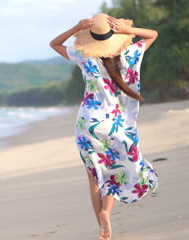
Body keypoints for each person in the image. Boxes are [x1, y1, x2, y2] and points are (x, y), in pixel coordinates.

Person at [49, 13, 159, 240]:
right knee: (115, 172)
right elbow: (153, 35)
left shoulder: (84, 57)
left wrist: (75, 27)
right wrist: (129, 31)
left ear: (90, 38)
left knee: (95, 176)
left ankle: (101, 223)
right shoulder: (129, 53)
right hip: (116, 123)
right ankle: (107, 212)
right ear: (114, 36)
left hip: (88, 122)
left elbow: (55, 44)